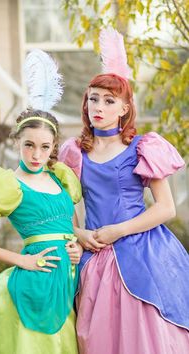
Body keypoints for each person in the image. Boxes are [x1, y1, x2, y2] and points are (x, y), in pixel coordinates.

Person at [59, 72, 189, 353]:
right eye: (93, 99)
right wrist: (79, 233)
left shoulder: (141, 148)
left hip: (143, 253)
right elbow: (63, 206)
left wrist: (118, 230)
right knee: (97, 337)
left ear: (124, 108)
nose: (99, 107)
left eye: (109, 100)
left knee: (142, 335)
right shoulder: (74, 152)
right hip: (95, 256)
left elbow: (166, 207)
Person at [0, 108, 83, 354]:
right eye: (29, 145)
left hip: (69, 275)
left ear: (53, 146)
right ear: (16, 141)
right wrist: (22, 260)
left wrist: (77, 248)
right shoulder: (10, 185)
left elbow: (73, 229)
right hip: (36, 279)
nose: (36, 154)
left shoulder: (60, 178)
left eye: (45, 147)